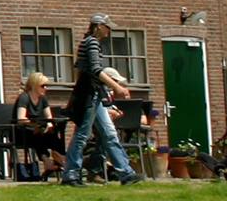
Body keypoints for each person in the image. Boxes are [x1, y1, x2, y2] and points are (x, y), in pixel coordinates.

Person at [61, 15, 142, 186]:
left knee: (109, 133)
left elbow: (81, 68)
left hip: (94, 93)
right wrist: (117, 87)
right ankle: (70, 174)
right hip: (89, 94)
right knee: (82, 135)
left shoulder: (88, 42)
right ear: (98, 26)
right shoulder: (92, 42)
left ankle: (126, 173)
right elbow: (96, 70)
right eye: (107, 27)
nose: (109, 30)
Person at [13, 72, 65, 178]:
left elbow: (49, 117)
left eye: (46, 86)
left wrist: (49, 125)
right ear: (34, 85)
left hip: (37, 130)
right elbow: (21, 119)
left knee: (52, 132)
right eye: (43, 86)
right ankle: (51, 160)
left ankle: (58, 156)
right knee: (38, 132)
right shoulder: (24, 98)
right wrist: (35, 124)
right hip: (22, 132)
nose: (45, 88)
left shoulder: (43, 99)